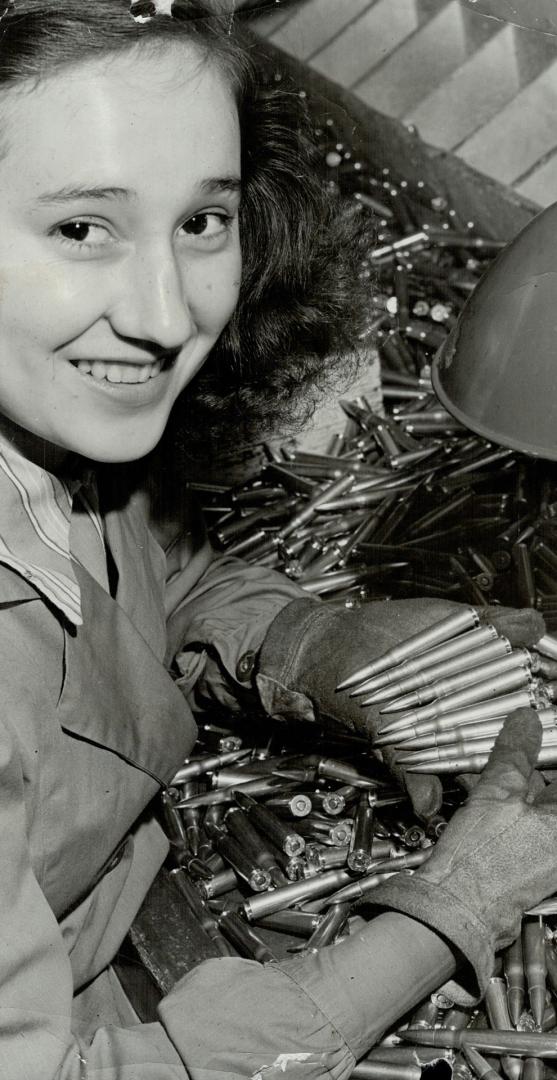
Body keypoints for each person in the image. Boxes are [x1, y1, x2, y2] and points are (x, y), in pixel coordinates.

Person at [0, 2, 554, 1077]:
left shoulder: (48, 431)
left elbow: (147, 571)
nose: (166, 312)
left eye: (202, 220)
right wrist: (445, 910)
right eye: (80, 227)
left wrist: (308, 650)